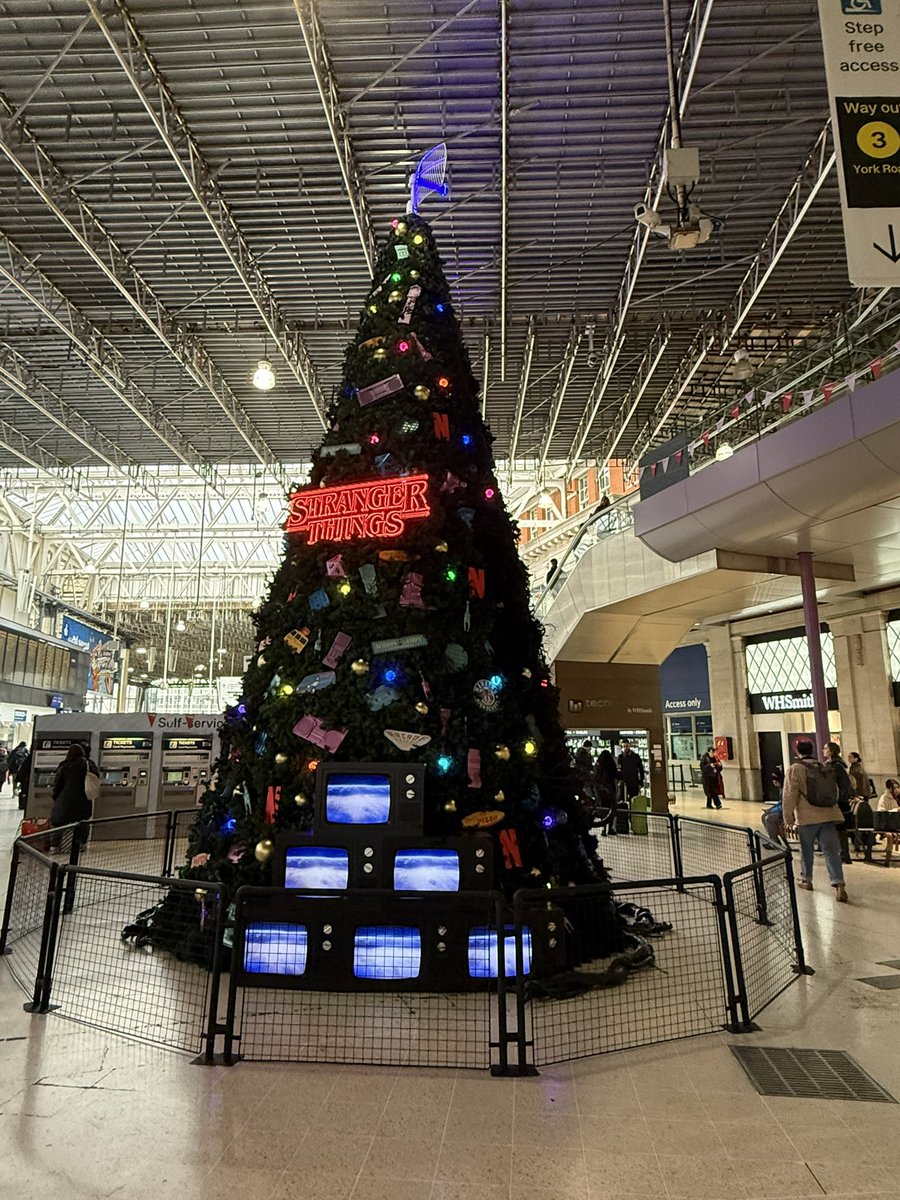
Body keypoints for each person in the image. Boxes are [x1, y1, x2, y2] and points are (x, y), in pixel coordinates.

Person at [782, 738, 848, 902]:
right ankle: (839, 884)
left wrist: (788, 817)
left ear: (797, 751)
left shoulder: (795, 769)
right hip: (829, 814)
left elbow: (789, 794)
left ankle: (807, 879)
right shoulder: (823, 766)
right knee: (832, 851)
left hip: (808, 816)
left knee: (807, 851)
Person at [50, 744, 98, 832]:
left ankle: (55, 845)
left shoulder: (64, 765)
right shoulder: (89, 765)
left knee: (58, 826)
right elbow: (96, 778)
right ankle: (80, 844)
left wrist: (55, 797)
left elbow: (57, 784)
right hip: (83, 801)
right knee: (82, 825)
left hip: (64, 801)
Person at [823, 741, 854, 865]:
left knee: (840, 828)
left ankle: (844, 854)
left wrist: (839, 799)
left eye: (825, 748)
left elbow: (845, 785)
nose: (823, 750)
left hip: (839, 803)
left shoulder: (837, 766)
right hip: (835, 801)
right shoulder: (832, 765)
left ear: (831, 751)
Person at [14, 748, 32, 812]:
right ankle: (23, 804)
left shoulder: (27, 758)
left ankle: (22, 804)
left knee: (23, 791)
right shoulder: (30, 758)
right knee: (24, 791)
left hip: (23, 778)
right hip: (25, 778)